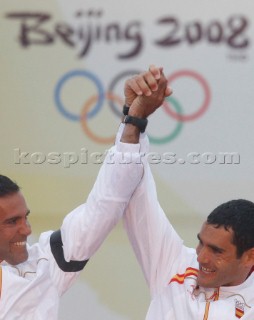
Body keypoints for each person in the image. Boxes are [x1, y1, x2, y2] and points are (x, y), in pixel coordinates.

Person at [0, 65, 169, 319]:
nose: (27, 230)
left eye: (25, 217)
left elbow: (105, 206)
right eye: (12, 222)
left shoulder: (42, 266)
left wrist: (133, 120)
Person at [118, 65, 254, 319]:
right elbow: (131, 192)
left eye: (217, 251)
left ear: (249, 257)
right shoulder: (175, 265)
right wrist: (133, 117)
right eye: (201, 242)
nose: (201, 257)